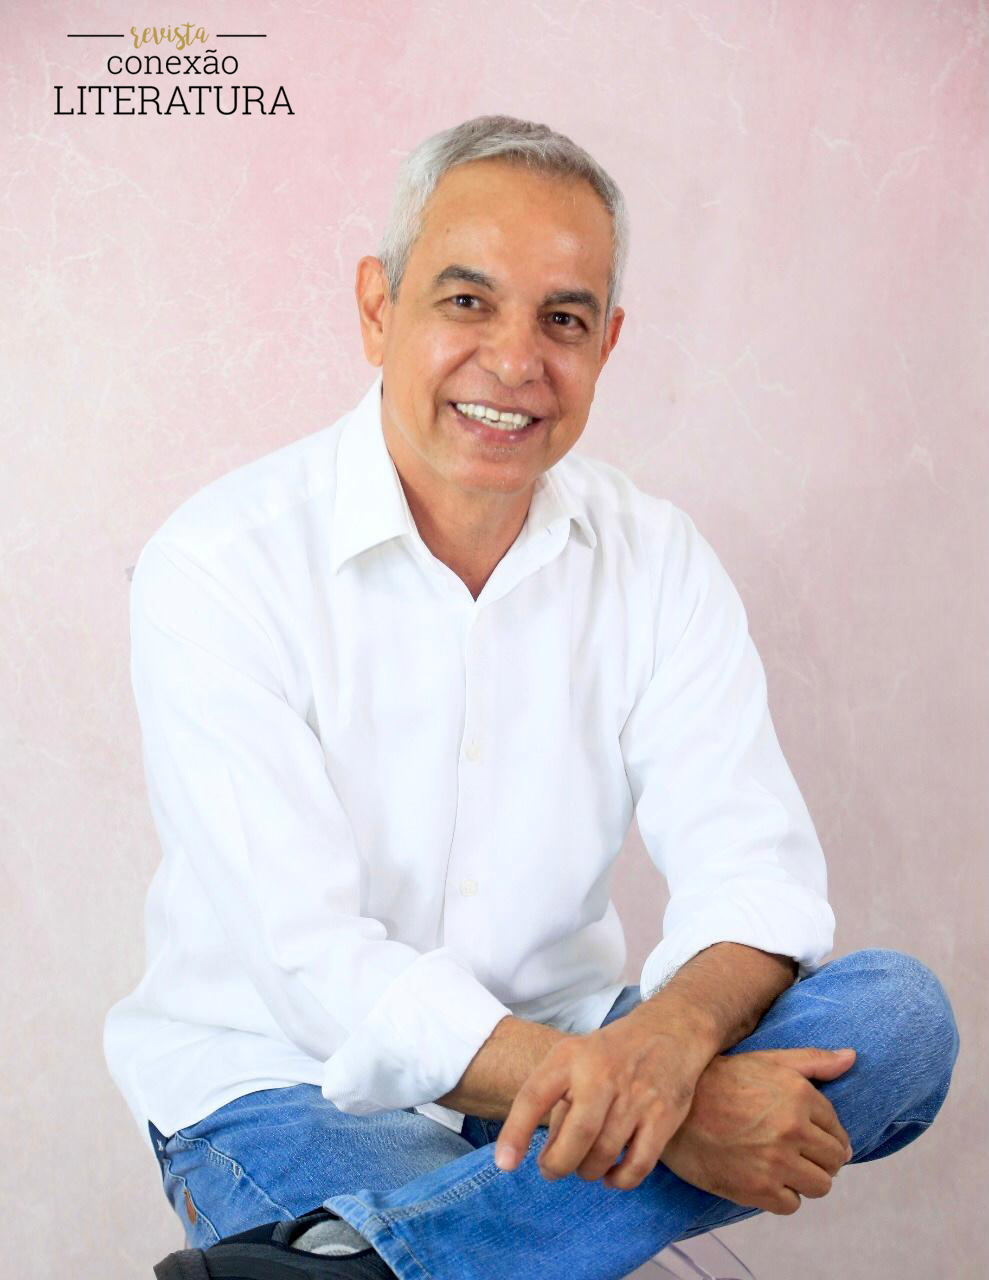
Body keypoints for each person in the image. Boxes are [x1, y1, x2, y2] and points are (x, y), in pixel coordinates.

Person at [104, 115, 960, 1280]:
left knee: (897, 1019)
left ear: (606, 342)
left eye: (562, 319)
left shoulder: (655, 557)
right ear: (377, 307)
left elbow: (752, 874)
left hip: (582, 1035)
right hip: (288, 1078)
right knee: (462, 1186)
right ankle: (469, 1237)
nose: (514, 362)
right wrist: (658, 1107)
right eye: (466, 301)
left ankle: (366, 1262)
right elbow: (307, 961)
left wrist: (661, 1055)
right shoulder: (218, 562)